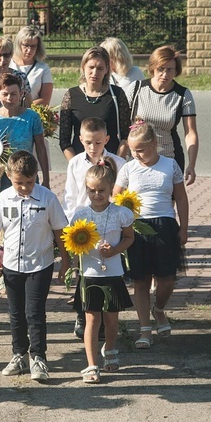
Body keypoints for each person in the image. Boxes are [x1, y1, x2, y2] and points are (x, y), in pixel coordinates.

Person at [0, 150, 70, 381]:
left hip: (40, 265)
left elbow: (59, 230)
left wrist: (65, 262)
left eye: (29, 182)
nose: (25, 188)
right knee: (16, 314)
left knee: (34, 313)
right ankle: (19, 355)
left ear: (36, 176)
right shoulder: (2, 199)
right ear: (8, 175)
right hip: (11, 265)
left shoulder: (47, 198)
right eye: (19, 183)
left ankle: (38, 357)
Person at [119, 121, 189, 349]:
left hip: (164, 224)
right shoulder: (129, 168)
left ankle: (158, 309)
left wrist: (184, 227)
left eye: (140, 149)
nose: (136, 155)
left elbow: (181, 197)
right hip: (137, 226)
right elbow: (115, 196)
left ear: (154, 144)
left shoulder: (170, 165)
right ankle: (145, 330)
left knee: (167, 278)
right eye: (132, 150)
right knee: (140, 280)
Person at [72, 159, 135, 383]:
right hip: (90, 274)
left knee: (111, 319)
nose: (97, 194)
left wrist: (116, 249)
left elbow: (130, 237)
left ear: (111, 188)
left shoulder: (121, 214)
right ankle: (91, 364)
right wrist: (84, 250)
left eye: (102, 190)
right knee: (91, 319)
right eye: (92, 190)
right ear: (86, 189)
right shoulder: (81, 215)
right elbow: (73, 244)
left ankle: (109, 351)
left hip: (113, 272)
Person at [64, 117, 126, 338]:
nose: (93, 147)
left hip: (109, 221)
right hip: (84, 225)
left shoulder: (118, 163)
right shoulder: (75, 163)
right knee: (84, 271)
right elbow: (71, 197)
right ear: (80, 139)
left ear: (107, 139)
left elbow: (122, 195)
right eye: (88, 142)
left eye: (98, 142)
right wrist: (73, 226)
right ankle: (84, 316)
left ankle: (108, 320)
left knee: (109, 268)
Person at [125, 45, 198, 185]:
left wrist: (191, 165)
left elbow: (190, 133)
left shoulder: (183, 95)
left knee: (165, 204)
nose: (165, 75)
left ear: (176, 71)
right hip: (136, 159)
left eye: (170, 70)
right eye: (161, 69)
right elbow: (122, 126)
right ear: (153, 68)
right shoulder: (136, 89)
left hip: (168, 158)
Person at [59, 46, 131, 161]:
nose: (95, 73)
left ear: (107, 69)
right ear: (83, 67)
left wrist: (116, 163)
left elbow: (126, 135)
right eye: (91, 67)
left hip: (109, 162)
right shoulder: (71, 95)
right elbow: (64, 140)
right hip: (81, 162)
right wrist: (76, 165)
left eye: (100, 68)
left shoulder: (117, 95)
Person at [0, 73, 49, 191]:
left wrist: (46, 179)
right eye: (5, 94)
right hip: (0, 176)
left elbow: (41, 147)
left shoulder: (32, 117)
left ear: (21, 94)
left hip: (27, 173)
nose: (9, 98)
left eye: (13, 94)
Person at [10, 26, 53, 105]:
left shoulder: (43, 69)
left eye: (33, 46)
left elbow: (45, 100)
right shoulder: (9, 64)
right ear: (18, 44)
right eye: (26, 45)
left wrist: (23, 108)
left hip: (31, 113)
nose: (29, 50)